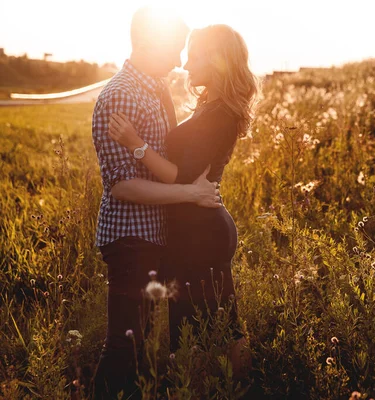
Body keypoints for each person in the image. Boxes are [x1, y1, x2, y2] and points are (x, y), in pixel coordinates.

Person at [107, 24, 259, 380]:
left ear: (216, 59)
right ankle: (227, 385)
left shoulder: (221, 113)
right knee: (210, 321)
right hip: (193, 227)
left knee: (215, 326)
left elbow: (180, 176)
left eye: (194, 56)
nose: (186, 65)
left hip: (200, 233)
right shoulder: (211, 106)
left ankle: (239, 386)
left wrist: (135, 144)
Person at [90, 7, 221, 399]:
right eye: (176, 48)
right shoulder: (120, 96)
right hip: (131, 238)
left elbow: (165, 163)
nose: (181, 60)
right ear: (151, 42)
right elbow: (124, 188)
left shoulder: (154, 87)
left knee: (142, 343)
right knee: (123, 346)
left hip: (153, 237)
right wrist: (191, 194)